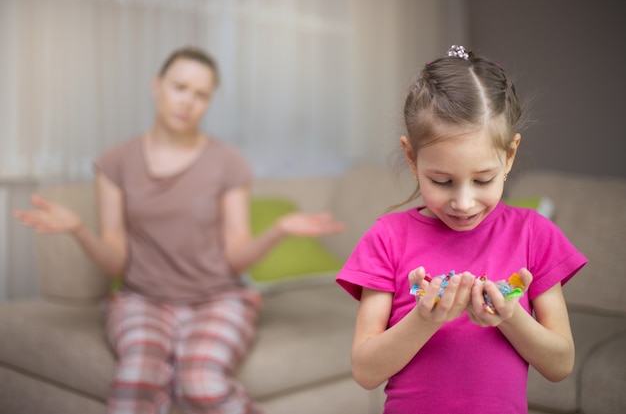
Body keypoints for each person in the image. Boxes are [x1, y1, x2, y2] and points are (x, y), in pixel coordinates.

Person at [14, 46, 344, 414]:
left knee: (200, 383)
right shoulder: (116, 162)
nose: (187, 101)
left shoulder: (228, 161)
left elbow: (235, 258)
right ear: (157, 85)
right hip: (142, 300)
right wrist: (79, 230)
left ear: (209, 102)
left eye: (201, 95)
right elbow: (117, 265)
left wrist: (277, 230)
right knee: (133, 385)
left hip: (218, 298)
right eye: (180, 87)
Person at [335, 45, 588, 414]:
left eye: (483, 179)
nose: (464, 202)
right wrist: (423, 320)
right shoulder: (387, 238)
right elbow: (365, 370)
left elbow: (560, 364)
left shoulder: (534, 235)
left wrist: (510, 317)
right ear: (411, 158)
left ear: (510, 156)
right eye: (442, 181)